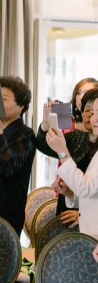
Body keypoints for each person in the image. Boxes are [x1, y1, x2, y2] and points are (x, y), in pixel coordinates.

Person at [0, 76, 36, 237]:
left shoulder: (25, 134)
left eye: (4, 99)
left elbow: (9, 168)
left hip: (5, 212)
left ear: (21, 106)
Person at [37, 88, 98, 226]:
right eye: (87, 110)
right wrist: (70, 194)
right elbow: (90, 194)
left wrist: (63, 152)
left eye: (95, 111)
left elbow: (86, 187)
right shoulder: (76, 137)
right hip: (77, 211)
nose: (92, 116)